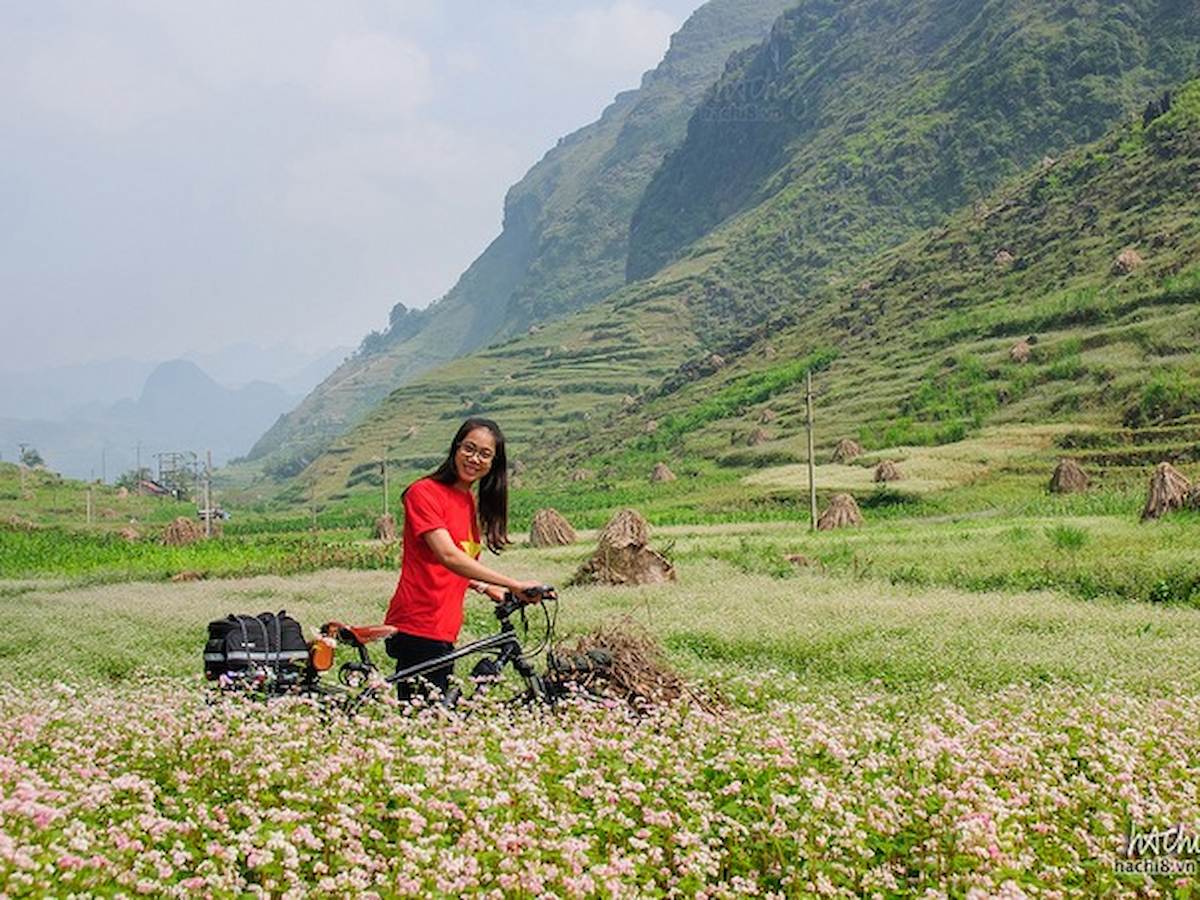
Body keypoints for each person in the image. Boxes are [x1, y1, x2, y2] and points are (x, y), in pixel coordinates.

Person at [382, 417, 547, 702]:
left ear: (494, 463)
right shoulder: (424, 492)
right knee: (425, 723)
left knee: (440, 715)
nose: (474, 459)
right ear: (456, 448)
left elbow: (458, 563)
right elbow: (447, 556)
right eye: (469, 448)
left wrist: (487, 588)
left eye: (485, 454)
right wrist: (514, 583)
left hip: (444, 625)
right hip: (419, 623)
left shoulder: (467, 500)